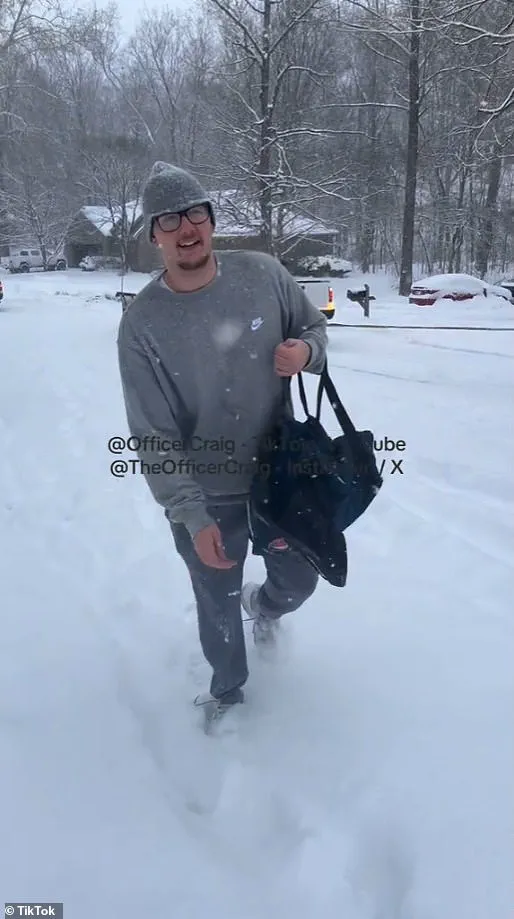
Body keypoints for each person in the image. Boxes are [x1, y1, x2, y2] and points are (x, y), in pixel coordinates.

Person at [117, 161, 328, 719]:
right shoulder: (142, 323)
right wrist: (191, 513)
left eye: (195, 213)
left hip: (282, 477)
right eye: (168, 220)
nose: (186, 229)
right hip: (209, 493)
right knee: (216, 601)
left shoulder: (263, 273)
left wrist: (305, 354)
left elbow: (314, 329)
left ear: (211, 219)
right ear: (153, 234)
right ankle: (227, 692)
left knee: (301, 581)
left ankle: (268, 607)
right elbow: (152, 432)